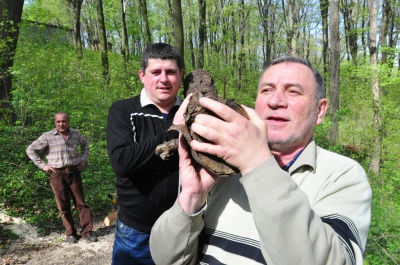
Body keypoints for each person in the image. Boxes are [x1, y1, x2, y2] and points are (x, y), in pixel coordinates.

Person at [149, 57, 372, 265]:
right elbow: (165, 259)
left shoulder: (343, 174)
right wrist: (192, 198)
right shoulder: (223, 169)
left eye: (293, 91)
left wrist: (255, 162)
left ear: (320, 111)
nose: (275, 101)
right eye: (267, 90)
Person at [106, 43, 185, 264]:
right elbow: (121, 162)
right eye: (155, 72)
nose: (164, 79)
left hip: (185, 227)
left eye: (170, 72)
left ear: (181, 75)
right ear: (142, 75)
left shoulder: (193, 110)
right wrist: (174, 130)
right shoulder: (124, 111)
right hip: (138, 232)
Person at [26, 112, 97, 244]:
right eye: (58, 122)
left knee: (81, 203)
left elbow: (86, 145)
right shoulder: (47, 136)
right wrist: (43, 165)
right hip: (57, 174)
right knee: (63, 205)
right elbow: (30, 149)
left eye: (64, 121)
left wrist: (83, 160)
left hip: (74, 172)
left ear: (68, 122)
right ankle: (71, 233)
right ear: (55, 123)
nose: (61, 124)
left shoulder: (75, 134)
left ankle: (87, 232)